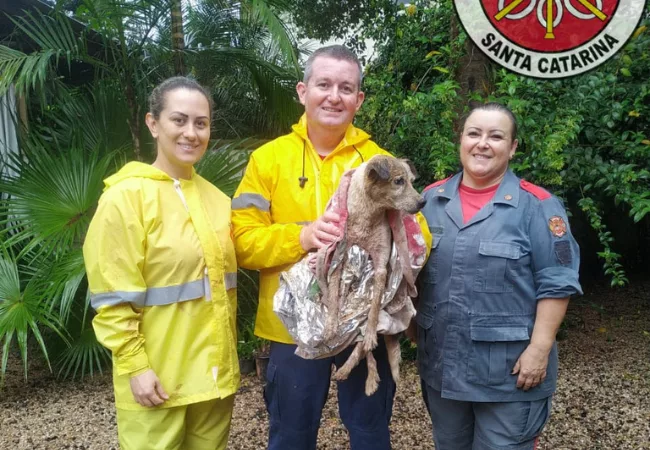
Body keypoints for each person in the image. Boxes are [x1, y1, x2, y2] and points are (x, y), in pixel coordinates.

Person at [231, 45, 431, 450]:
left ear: (359, 99)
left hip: (363, 329)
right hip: (291, 329)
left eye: (346, 88)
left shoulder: (379, 161)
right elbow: (242, 242)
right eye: (324, 84)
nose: (334, 96)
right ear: (303, 91)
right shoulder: (267, 160)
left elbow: (419, 235)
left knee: (371, 435)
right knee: (290, 436)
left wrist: (382, 247)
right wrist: (300, 238)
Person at [83, 76, 239, 450]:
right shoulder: (125, 198)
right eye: (179, 120)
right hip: (158, 382)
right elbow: (111, 296)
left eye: (201, 123)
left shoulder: (218, 200)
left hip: (213, 381)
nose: (191, 133)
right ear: (153, 124)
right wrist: (136, 366)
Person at [417, 102, 583, 450]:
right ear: (460, 139)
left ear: (512, 147)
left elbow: (557, 283)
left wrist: (539, 349)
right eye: (474, 133)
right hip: (442, 369)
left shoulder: (537, 206)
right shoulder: (429, 201)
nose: (483, 143)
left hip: (511, 375)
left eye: (496, 136)